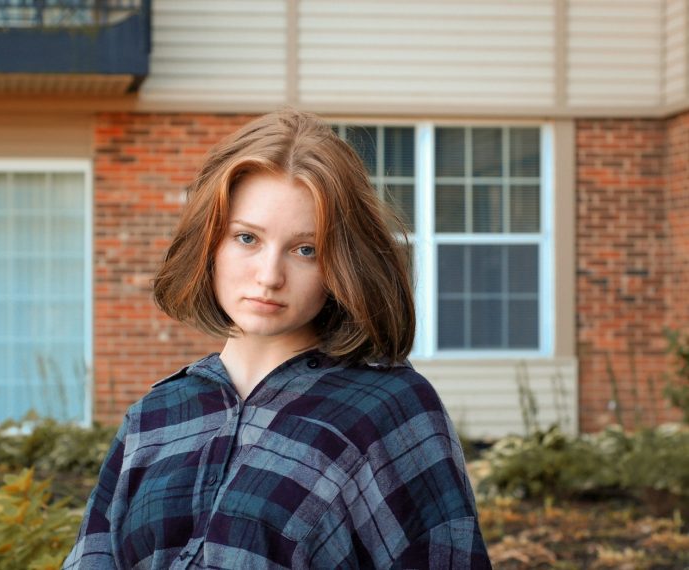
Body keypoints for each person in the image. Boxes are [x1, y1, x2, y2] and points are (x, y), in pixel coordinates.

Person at [63, 109, 492, 569]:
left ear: (339, 265)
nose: (269, 276)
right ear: (209, 243)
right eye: (247, 238)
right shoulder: (156, 417)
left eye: (306, 250)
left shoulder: (389, 411)